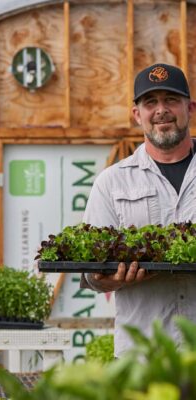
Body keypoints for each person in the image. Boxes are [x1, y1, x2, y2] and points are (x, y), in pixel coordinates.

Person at [81, 63, 196, 357]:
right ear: (137, 115)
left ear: (190, 108)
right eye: (150, 102)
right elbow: (92, 275)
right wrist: (115, 277)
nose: (161, 110)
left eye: (171, 100)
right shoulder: (112, 182)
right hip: (144, 358)